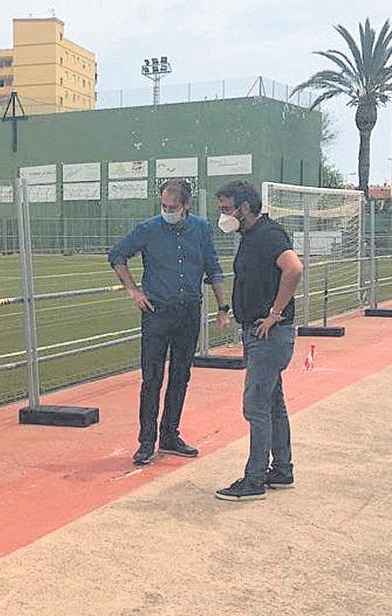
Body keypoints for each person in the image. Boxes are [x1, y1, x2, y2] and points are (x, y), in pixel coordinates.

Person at [108, 178, 230, 466]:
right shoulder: (148, 229)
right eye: (164, 205)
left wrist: (223, 306)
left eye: (173, 206)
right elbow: (117, 255)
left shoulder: (201, 228)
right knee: (151, 378)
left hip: (189, 311)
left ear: (186, 205)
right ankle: (146, 441)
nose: (168, 210)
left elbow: (212, 266)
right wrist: (133, 290)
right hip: (156, 311)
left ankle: (170, 435)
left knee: (181, 375)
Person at [213, 180, 304, 501]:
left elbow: (293, 269)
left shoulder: (268, 234)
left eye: (227, 208)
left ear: (245, 207)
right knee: (273, 404)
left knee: (256, 407)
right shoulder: (250, 236)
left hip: (268, 335)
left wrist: (275, 313)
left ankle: (254, 480)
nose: (224, 215)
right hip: (258, 333)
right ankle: (281, 469)